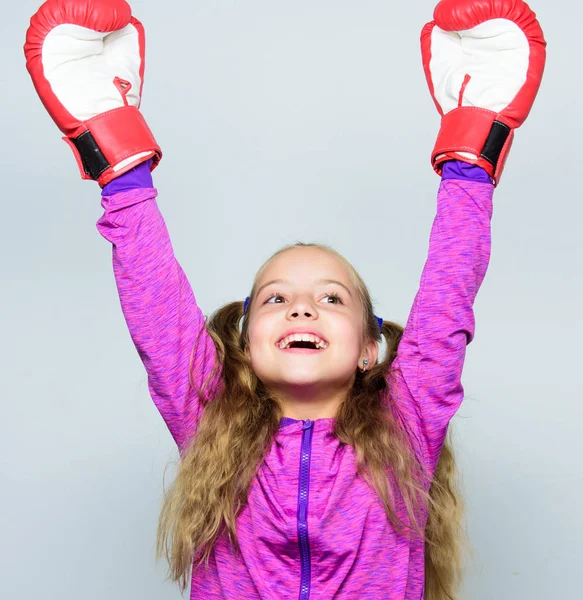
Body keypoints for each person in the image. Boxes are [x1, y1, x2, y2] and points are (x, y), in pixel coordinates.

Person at [24, 0, 546, 598]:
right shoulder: (208, 419)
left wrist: (472, 155)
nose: (302, 308)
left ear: (371, 349)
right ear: (242, 347)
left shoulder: (409, 421)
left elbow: (449, 291)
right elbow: (155, 302)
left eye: (330, 298)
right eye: (275, 299)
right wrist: (120, 169)